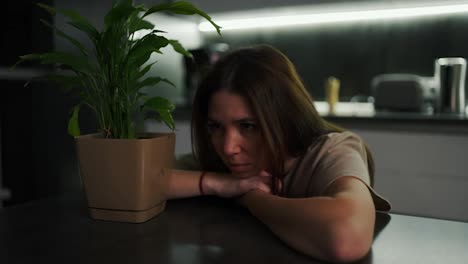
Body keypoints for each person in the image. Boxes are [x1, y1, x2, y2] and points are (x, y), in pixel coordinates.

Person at [166, 44, 391, 263]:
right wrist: (219, 183)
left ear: (284, 118)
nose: (228, 148)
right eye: (215, 127)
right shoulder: (220, 164)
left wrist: (252, 198)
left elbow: (346, 236)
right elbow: (138, 183)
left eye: (248, 126)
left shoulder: (331, 151)